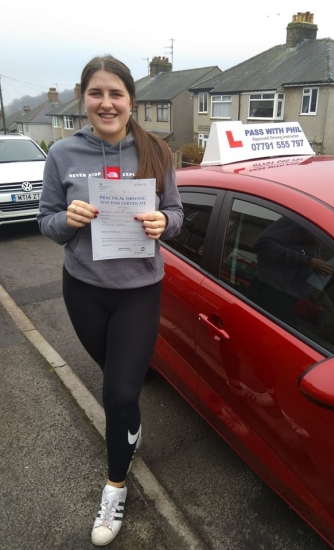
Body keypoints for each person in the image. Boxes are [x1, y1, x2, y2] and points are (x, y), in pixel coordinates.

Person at [38, 54, 183, 546]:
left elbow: (177, 212)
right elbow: (47, 222)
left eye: (115, 93)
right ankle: (130, 428)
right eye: (96, 93)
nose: (106, 102)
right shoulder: (62, 155)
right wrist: (69, 221)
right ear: (83, 98)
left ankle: (115, 486)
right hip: (83, 290)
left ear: (130, 100)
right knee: (115, 384)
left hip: (140, 291)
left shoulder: (156, 150)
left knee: (120, 392)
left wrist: (166, 224)